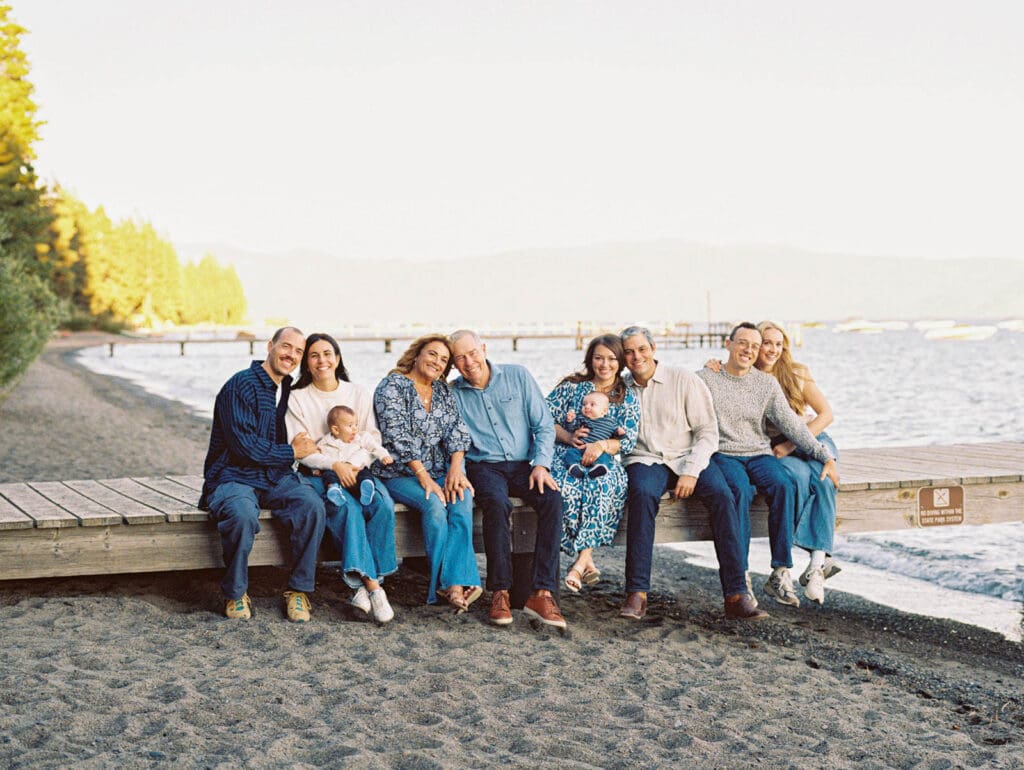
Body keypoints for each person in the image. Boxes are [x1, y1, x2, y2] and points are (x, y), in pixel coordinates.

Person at [618, 326, 766, 621]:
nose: (637, 357)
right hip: (646, 459)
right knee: (642, 495)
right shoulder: (621, 388)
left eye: (642, 349)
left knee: (724, 497)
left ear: (654, 348)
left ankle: (736, 594)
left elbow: (707, 432)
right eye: (629, 352)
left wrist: (691, 472)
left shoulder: (682, 379)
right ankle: (637, 594)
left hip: (688, 455)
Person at [697, 322, 839, 609]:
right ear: (728, 344)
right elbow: (682, 404)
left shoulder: (768, 382)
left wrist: (824, 455)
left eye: (754, 345)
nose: (749, 350)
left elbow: (793, 424)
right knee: (740, 491)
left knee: (784, 486)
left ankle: (781, 570)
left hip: (762, 452)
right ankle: (742, 574)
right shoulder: (706, 378)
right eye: (744, 344)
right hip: (726, 454)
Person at [199, 327, 326, 623]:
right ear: (269, 346)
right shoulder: (241, 385)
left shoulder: (284, 387)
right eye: (286, 346)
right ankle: (235, 593)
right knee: (242, 514)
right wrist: (291, 453)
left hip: (272, 476)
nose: (291, 355)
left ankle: (297, 590)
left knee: (311, 505)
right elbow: (244, 446)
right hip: (232, 475)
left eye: (298, 351)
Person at [448, 329, 568, 629]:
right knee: (497, 504)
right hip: (483, 466)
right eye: (460, 358)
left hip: (523, 464)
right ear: (453, 364)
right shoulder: (452, 393)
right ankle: (500, 592)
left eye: (472, 353)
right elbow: (454, 441)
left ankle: (542, 593)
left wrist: (541, 465)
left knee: (552, 499)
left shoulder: (518, 376)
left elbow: (543, 426)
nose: (469, 362)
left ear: (484, 349)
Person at [286, 333, 396, 624]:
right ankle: (373, 586)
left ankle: (362, 587)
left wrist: (353, 464)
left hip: (359, 470)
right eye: (314, 355)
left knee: (381, 505)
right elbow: (302, 451)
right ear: (306, 363)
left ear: (337, 357)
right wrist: (336, 464)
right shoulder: (297, 398)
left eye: (327, 353)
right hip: (319, 473)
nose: (322, 360)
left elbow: (371, 437)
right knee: (346, 508)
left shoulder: (358, 393)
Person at [373, 334, 483, 613]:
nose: (437, 362)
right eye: (432, 354)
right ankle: (441, 584)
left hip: (439, 469)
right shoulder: (393, 386)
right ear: (417, 354)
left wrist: (456, 470)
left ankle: (456, 584)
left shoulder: (443, 392)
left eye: (444, 360)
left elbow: (458, 432)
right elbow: (396, 436)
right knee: (434, 504)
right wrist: (424, 478)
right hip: (397, 472)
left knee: (461, 498)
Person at [547, 335, 640, 595]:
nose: (605, 364)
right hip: (566, 454)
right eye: (599, 357)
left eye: (612, 359)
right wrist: (568, 436)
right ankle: (584, 560)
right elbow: (543, 420)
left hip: (604, 460)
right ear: (590, 359)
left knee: (606, 484)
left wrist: (600, 446)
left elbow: (629, 439)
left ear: (620, 362)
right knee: (565, 487)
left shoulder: (626, 396)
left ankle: (582, 560)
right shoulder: (571, 387)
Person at [310, 404, 394, 508]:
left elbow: (374, 447)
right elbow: (318, 456)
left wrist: (383, 456)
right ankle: (333, 489)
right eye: (350, 426)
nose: (355, 429)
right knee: (328, 474)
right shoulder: (325, 442)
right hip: (336, 472)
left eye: (356, 425)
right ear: (336, 430)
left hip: (356, 469)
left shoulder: (361, 438)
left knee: (365, 473)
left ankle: (366, 487)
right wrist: (315, 470)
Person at [559, 390, 627, 480]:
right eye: (584, 404)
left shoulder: (610, 422)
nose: (586, 407)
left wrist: (621, 433)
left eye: (592, 405)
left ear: (604, 411)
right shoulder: (581, 418)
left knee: (606, 457)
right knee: (570, 453)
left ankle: (599, 468)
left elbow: (619, 435)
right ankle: (574, 467)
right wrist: (570, 421)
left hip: (599, 452)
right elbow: (571, 429)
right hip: (581, 447)